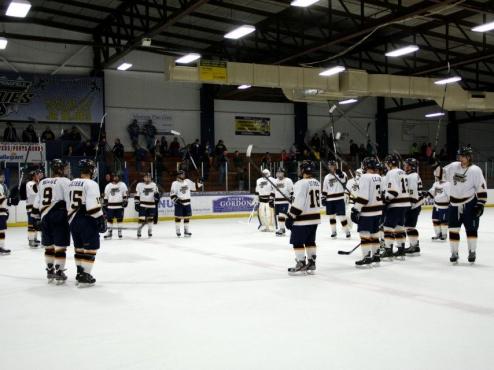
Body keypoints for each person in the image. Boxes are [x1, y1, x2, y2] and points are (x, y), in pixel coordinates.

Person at [442, 146, 487, 264]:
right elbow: (440, 174)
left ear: (469, 157)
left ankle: (472, 251)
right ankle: (454, 252)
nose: (460, 158)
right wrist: (434, 164)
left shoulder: (475, 170)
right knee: (453, 229)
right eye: (459, 156)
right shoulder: (453, 166)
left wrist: (480, 204)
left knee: (471, 229)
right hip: (454, 204)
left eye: (463, 156)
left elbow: (481, 187)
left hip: (469, 203)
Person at [67, 159, 107, 286]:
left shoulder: (71, 182)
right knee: (91, 248)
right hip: (87, 219)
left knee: (79, 248)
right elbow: (92, 206)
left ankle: (80, 273)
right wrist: (100, 218)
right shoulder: (91, 183)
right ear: (89, 170)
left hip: (72, 219)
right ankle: (85, 275)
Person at [31, 159, 71, 283]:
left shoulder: (43, 182)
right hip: (59, 215)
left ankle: (49, 271)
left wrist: (35, 218)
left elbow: (37, 201)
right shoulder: (65, 181)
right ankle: (59, 271)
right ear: (59, 169)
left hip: (44, 216)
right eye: (64, 168)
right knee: (60, 246)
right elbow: (69, 201)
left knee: (48, 247)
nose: (66, 170)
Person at [285, 161, 321, 275]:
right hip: (314, 218)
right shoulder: (316, 182)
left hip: (302, 219)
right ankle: (311, 262)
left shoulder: (300, 183)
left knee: (297, 242)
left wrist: (290, 217)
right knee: (310, 241)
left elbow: (299, 203)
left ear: (303, 170)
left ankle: (300, 263)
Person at [351, 157, 383, 267]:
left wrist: (355, 208)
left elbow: (364, 198)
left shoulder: (364, 177)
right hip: (378, 211)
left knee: (364, 234)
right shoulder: (379, 177)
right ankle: (376, 256)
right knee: (374, 235)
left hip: (367, 212)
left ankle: (367, 257)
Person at [381, 154, 410, 260]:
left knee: (388, 226)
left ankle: (388, 250)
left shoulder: (391, 173)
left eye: (386, 164)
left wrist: (385, 200)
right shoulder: (402, 172)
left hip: (396, 204)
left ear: (389, 163)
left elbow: (393, 191)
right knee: (399, 226)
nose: (386, 166)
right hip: (405, 204)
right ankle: (401, 250)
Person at [322, 160, 350, 238]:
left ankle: (347, 231)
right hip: (330, 200)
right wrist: (323, 198)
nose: (331, 167)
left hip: (339, 199)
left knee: (342, 217)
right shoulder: (327, 177)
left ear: (336, 166)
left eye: (333, 165)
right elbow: (325, 189)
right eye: (330, 165)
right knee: (331, 217)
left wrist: (340, 174)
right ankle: (334, 232)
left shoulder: (342, 173)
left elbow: (345, 181)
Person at [170, 170, 201, 237]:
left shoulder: (187, 181)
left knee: (187, 217)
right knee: (178, 217)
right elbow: (172, 194)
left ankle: (186, 230)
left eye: (183, 174)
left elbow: (195, 187)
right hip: (179, 203)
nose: (183, 175)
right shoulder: (174, 183)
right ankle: (178, 230)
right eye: (181, 174)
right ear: (178, 175)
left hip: (187, 203)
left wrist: (200, 182)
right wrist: (177, 200)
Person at [403, 158, 424, 256]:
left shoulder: (412, 176)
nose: (405, 166)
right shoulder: (413, 175)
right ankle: (414, 245)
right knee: (409, 226)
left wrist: (409, 205)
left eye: (408, 165)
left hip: (413, 205)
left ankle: (414, 246)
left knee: (409, 226)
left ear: (413, 166)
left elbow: (412, 193)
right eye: (405, 165)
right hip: (414, 204)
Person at [427, 166, 450, 241]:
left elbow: (450, 195)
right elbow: (432, 192)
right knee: (435, 220)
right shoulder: (436, 183)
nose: (436, 177)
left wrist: (451, 205)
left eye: (437, 176)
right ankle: (438, 234)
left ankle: (444, 235)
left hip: (444, 207)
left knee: (443, 221)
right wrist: (425, 194)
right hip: (436, 205)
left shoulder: (447, 184)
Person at [103, 173, 128, 240]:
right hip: (110, 206)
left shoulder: (122, 185)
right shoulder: (108, 186)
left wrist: (125, 201)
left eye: (117, 176)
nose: (115, 178)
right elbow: (106, 196)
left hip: (119, 206)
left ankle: (119, 232)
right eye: (114, 176)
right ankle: (109, 232)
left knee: (119, 220)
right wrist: (105, 204)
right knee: (109, 220)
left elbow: (125, 194)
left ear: (119, 177)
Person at [135, 173, 160, 238]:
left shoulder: (154, 185)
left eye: (149, 177)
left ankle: (150, 230)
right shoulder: (139, 185)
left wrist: (157, 198)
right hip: (142, 205)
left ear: (150, 178)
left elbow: (157, 194)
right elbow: (137, 195)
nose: (147, 178)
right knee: (141, 219)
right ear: (144, 178)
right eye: (146, 177)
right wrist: (136, 203)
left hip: (151, 205)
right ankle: (139, 230)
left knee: (150, 219)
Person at [25, 169, 44, 248]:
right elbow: (34, 191)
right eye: (37, 174)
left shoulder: (39, 183)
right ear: (33, 176)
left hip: (38, 207)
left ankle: (35, 238)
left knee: (38, 224)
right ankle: (31, 240)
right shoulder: (29, 183)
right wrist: (38, 183)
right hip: (31, 207)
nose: (39, 175)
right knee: (32, 224)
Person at [274, 168, 294, 236]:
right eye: (278, 172)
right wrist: (271, 200)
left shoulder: (288, 180)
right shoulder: (275, 181)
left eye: (280, 172)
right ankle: (282, 228)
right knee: (279, 216)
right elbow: (273, 191)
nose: (279, 174)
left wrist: (292, 197)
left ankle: (282, 229)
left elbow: (292, 191)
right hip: (277, 201)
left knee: (282, 215)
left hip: (285, 201)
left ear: (284, 173)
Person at [0, 171, 10, 255]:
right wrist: (8, 199)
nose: (3, 178)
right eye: (1, 177)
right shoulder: (0, 186)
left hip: (2, 211)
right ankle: (1, 247)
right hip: (0, 212)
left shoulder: (3, 186)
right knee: (1, 231)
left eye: (3, 177)